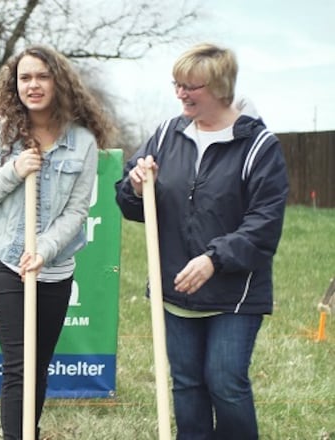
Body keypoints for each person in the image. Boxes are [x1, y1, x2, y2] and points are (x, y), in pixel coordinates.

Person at [115, 43, 289, 439]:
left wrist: (214, 259)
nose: (180, 93)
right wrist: (136, 186)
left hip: (233, 292)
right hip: (175, 287)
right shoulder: (165, 134)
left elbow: (264, 225)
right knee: (188, 383)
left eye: (191, 86)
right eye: (177, 84)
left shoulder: (259, 147)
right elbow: (131, 203)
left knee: (225, 383)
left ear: (221, 87)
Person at [0, 45, 115, 439]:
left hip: (54, 267)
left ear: (58, 82)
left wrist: (43, 249)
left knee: (38, 365)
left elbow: (77, 212)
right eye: (25, 77)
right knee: (19, 363)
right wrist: (12, 171)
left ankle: (31, 430)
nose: (33, 84)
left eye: (42, 76)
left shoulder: (82, 142)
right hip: (4, 264)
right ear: (15, 84)